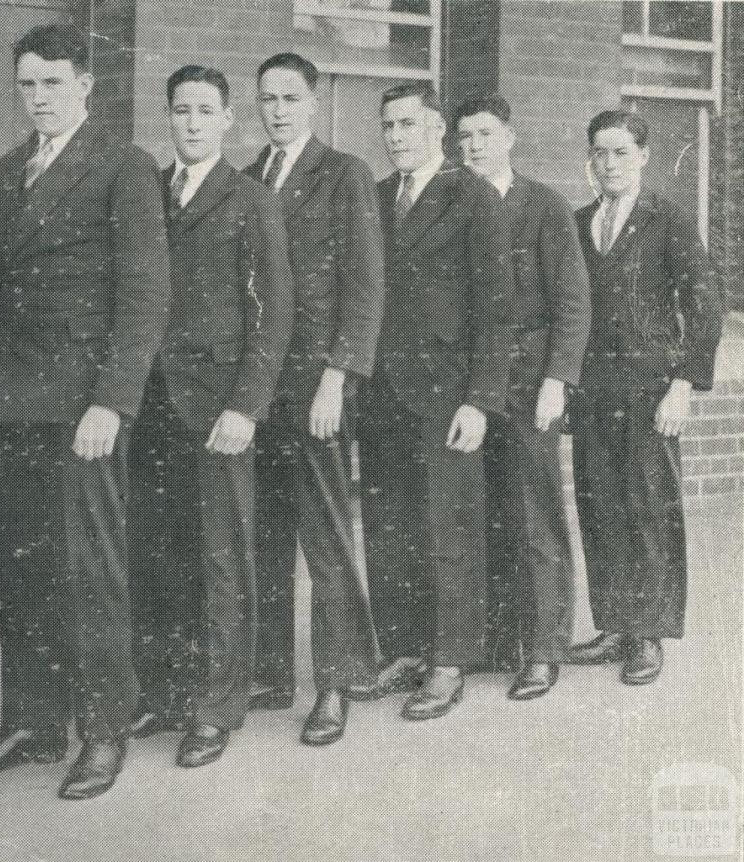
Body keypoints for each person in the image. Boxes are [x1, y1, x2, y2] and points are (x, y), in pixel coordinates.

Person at [0, 24, 171, 799]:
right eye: (27, 84)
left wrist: (112, 402)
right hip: (11, 401)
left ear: (85, 85)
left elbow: (144, 294)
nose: (39, 98)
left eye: (52, 82)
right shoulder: (9, 168)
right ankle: (34, 720)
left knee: (90, 571)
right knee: (19, 566)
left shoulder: (124, 165)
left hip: (81, 404)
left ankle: (104, 729)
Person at [131, 65, 292, 768]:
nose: (192, 123)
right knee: (159, 552)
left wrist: (246, 406)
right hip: (153, 405)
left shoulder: (251, 199)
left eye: (205, 111)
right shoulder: (149, 193)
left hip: (218, 408)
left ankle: (217, 706)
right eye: (181, 111)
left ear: (228, 120)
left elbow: (273, 312)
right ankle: (165, 694)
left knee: (221, 557)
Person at [359, 83, 513, 720]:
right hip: (382, 393)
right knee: (389, 524)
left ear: (437, 130)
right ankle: (404, 649)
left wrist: (480, 400)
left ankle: (449, 660)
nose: (395, 137)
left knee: (449, 528)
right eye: (388, 126)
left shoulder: (472, 196)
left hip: (446, 395)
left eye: (408, 125)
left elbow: (496, 309)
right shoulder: (375, 197)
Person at [242, 52, 384, 745]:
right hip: (259, 389)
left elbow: (364, 284)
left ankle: (336, 681)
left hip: (315, 385)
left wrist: (338, 376)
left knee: (325, 535)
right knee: (264, 532)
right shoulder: (248, 178)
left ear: (314, 102)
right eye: (268, 99)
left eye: (290, 99)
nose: (278, 111)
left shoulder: (344, 174)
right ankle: (270, 673)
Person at [567, 110, 722, 685]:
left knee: (649, 509)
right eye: (600, 153)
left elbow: (704, 304)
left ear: (644, 156)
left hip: (650, 391)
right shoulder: (580, 222)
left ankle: (648, 633)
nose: (609, 164)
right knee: (600, 506)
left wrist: (683, 384)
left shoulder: (668, 219)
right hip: (593, 392)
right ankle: (614, 625)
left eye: (621, 153)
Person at [454, 93, 591, 700]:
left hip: (531, 382)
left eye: (484, 135)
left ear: (509, 138)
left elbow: (572, 301)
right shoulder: (453, 204)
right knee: (479, 511)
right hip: (469, 385)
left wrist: (557, 380)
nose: (474, 147)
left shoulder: (543, 206)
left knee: (534, 514)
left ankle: (542, 648)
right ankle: (494, 639)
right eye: (464, 137)